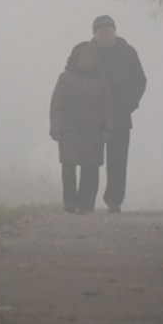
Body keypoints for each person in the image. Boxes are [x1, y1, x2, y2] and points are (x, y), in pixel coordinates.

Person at [50, 42, 115, 214]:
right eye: (85, 57)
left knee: (91, 169)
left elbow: (107, 106)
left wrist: (107, 129)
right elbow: (57, 104)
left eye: (93, 57)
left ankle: (86, 203)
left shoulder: (102, 79)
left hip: (94, 132)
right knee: (68, 166)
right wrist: (56, 128)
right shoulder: (65, 78)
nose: (89, 60)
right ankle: (70, 203)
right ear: (77, 58)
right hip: (70, 131)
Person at [91, 15, 147, 213]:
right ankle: (86, 200)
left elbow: (140, 80)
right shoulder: (85, 53)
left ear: (115, 32)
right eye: (100, 31)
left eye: (108, 30)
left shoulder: (128, 53)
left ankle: (114, 201)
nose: (105, 34)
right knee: (90, 159)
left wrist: (130, 104)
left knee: (118, 159)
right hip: (92, 117)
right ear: (94, 34)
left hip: (120, 116)